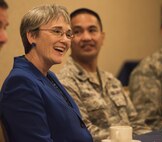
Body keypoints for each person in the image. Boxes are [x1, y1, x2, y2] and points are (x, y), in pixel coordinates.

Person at [0, 4, 93, 142]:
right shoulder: (20, 83)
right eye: (56, 31)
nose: (65, 40)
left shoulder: (48, 75)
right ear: (32, 36)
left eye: (68, 34)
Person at [57, 8, 149, 142]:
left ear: (102, 37)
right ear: (69, 39)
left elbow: (137, 123)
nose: (86, 37)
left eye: (92, 30)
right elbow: (83, 131)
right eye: (77, 32)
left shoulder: (112, 81)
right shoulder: (65, 82)